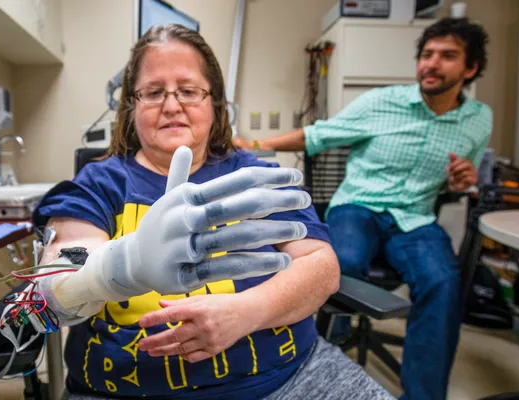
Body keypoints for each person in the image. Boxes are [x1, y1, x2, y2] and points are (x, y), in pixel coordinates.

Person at [32, 24, 394, 400]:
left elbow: (321, 266)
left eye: (189, 91)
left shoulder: (256, 177)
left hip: (292, 378)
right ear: (131, 105)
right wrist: (124, 265)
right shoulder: (99, 184)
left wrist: (245, 312)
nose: (172, 105)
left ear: (214, 102)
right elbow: (52, 287)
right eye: (154, 92)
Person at [233, 18, 492, 400]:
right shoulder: (381, 102)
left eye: (447, 56)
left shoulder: (478, 118)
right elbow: (318, 135)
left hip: (415, 217)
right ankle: (316, 355)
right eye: (426, 54)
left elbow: (460, 179)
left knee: (443, 284)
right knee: (341, 263)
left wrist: (462, 179)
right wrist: (254, 144)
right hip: (359, 206)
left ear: (470, 69)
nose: (431, 63)